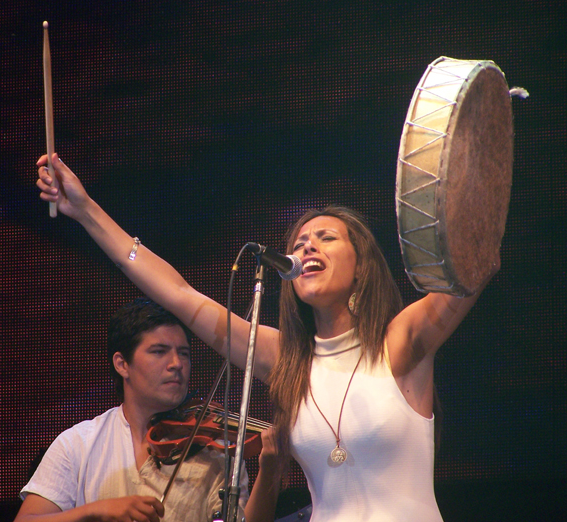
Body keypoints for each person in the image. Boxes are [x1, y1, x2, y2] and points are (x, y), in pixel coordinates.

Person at [36, 153, 497, 521]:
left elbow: (473, 265)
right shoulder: (286, 360)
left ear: (363, 269)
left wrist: (487, 156)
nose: (307, 246)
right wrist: (85, 210)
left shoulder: (400, 342)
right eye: (298, 243)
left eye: (326, 238)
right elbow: (178, 294)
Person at [14, 297, 282, 522]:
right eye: (159, 351)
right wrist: (97, 510)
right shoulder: (78, 443)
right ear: (122, 365)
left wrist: (269, 469)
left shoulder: (215, 450)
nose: (176, 363)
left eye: (184, 353)